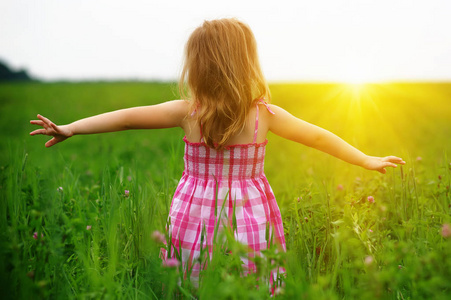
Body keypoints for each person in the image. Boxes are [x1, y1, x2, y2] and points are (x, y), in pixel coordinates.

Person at [30, 18, 405, 286]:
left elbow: (126, 119)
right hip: (250, 212)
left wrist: (72, 128)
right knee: (251, 276)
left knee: (195, 276)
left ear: (198, 67)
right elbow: (320, 138)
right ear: (246, 63)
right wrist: (365, 158)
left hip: (196, 210)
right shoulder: (265, 115)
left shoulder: (187, 112)